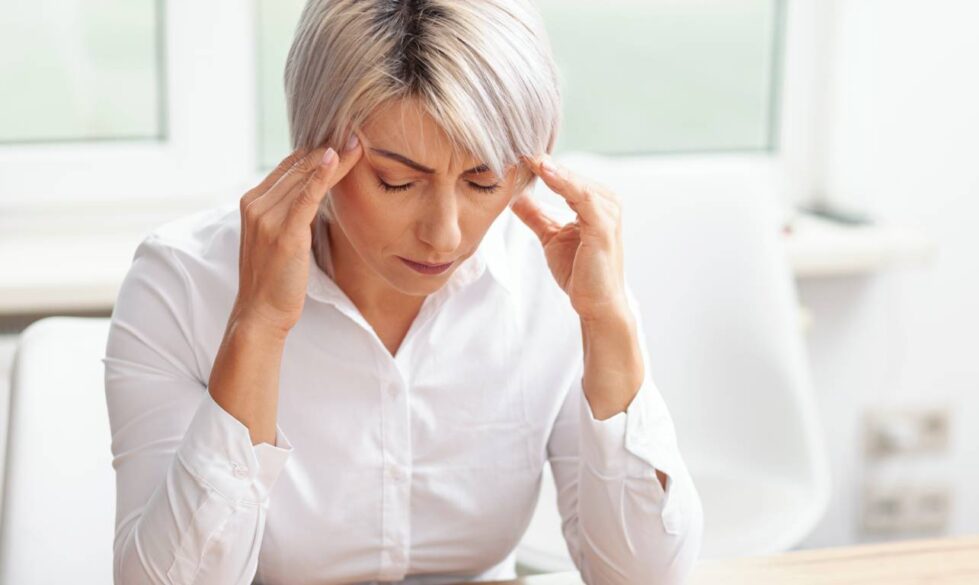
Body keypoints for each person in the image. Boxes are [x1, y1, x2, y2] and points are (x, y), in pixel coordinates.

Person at [103, 1, 703, 583]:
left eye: (482, 179)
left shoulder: (555, 280)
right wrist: (257, 325)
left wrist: (609, 322)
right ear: (316, 150)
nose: (444, 234)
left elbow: (642, 577)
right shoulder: (181, 282)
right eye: (397, 181)